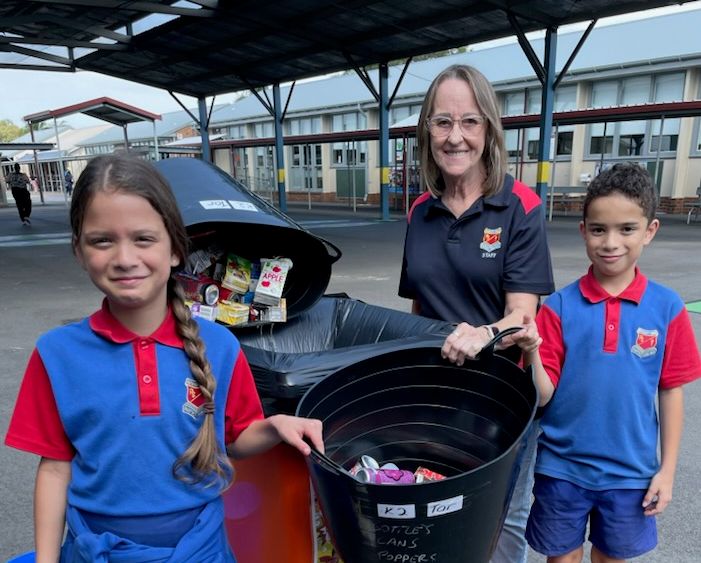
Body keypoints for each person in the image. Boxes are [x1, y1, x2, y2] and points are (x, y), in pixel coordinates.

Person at [4, 153, 324, 561]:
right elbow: (54, 469)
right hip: (98, 551)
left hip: (200, 550)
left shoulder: (220, 346)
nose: (124, 258)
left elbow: (236, 438)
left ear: (176, 249)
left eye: (143, 238)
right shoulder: (57, 354)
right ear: (80, 251)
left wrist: (276, 425)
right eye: (102, 240)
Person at [398, 63, 555, 563]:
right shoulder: (419, 210)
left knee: (502, 517)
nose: (455, 136)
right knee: (439, 507)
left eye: (469, 122)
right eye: (442, 122)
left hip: (500, 399)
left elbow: (522, 318)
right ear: (428, 131)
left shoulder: (519, 206)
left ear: (488, 129)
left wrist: (481, 333)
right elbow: (418, 310)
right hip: (437, 396)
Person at [511, 162, 701, 562]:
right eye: (599, 229)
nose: (611, 242)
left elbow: (671, 392)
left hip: (631, 473)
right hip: (561, 469)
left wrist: (666, 471)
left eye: (626, 229)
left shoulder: (667, 308)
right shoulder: (560, 307)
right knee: (561, 557)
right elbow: (543, 396)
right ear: (584, 231)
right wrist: (531, 350)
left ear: (649, 231)